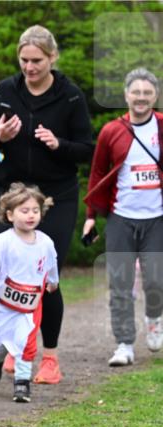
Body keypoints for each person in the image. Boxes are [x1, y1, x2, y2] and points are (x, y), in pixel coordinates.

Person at [0, 25, 94, 384]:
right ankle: (13, 348)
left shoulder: (70, 97)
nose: (29, 67)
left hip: (55, 196)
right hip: (12, 194)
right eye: (24, 60)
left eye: (37, 61)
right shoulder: (6, 91)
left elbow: (88, 149)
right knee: (5, 275)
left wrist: (59, 144)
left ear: (52, 58)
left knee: (46, 278)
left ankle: (50, 357)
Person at [82, 67, 163, 367]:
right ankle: (125, 343)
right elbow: (98, 173)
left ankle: (154, 317)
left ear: (155, 95)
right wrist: (91, 215)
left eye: (147, 93)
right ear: (126, 94)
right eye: (136, 92)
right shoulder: (111, 131)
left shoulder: (162, 127)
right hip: (121, 217)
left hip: (157, 217)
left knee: (157, 279)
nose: (141, 98)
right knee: (120, 283)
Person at [0, 183, 59, 402]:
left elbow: (51, 264)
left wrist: (53, 281)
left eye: (35, 211)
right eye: (24, 211)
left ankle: (22, 383)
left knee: (28, 343)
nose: (30, 216)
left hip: (30, 305)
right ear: (9, 214)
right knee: (1, 344)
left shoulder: (45, 243)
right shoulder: (2, 242)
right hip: (4, 305)